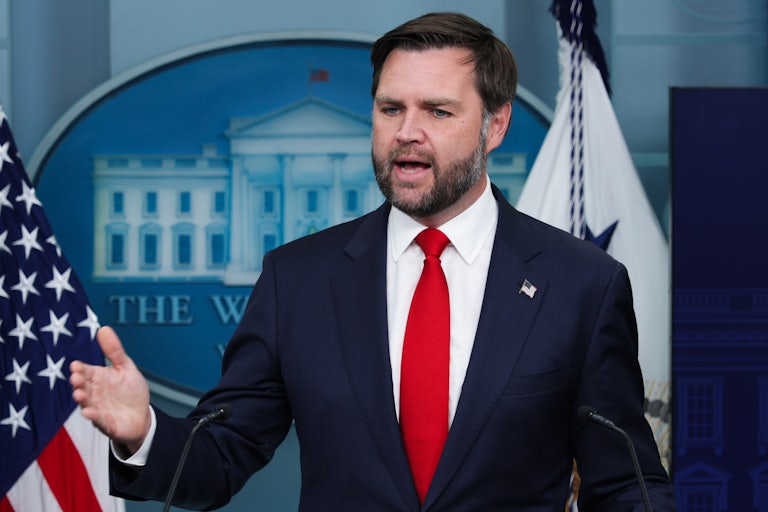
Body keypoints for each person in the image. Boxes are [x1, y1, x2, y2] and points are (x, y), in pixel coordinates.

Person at [70, 11, 676, 511]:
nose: (406, 132)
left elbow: (624, 483)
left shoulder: (581, 284)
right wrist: (141, 432)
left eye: (437, 112)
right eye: (391, 109)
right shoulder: (298, 280)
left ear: (495, 126)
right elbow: (220, 455)